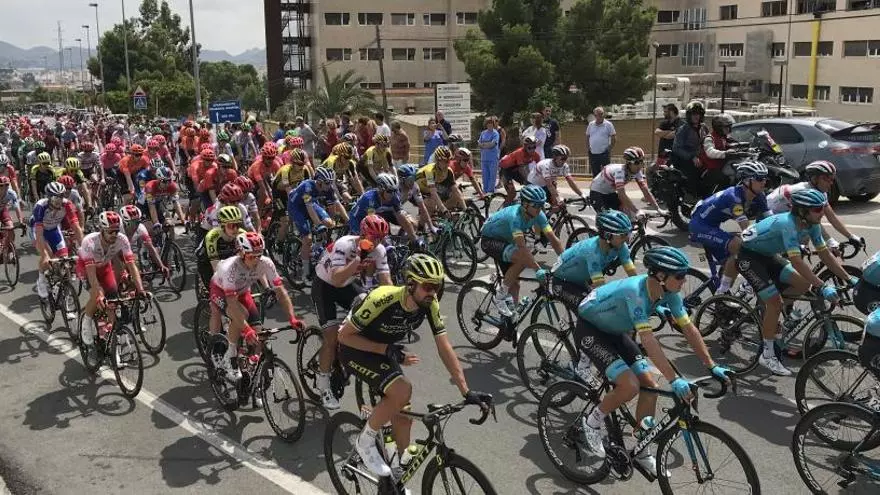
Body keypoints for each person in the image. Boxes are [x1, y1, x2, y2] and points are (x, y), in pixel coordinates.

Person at [576, 246, 730, 475]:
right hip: (591, 329)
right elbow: (649, 341)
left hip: (616, 331)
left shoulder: (670, 294)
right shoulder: (636, 293)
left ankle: (641, 449)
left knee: (650, 387)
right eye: (679, 276)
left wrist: (712, 365)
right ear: (660, 276)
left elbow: (689, 329)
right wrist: (674, 379)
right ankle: (592, 421)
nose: (684, 280)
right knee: (629, 385)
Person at [338, 253, 491, 478]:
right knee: (402, 390)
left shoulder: (430, 304)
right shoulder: (383, 298)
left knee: (404, 416)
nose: (433, 293)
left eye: (437, 287)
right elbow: (343, 337)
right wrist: (386, 350)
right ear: (410, 284)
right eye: (428, 286)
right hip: (355, 348)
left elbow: (444, 347)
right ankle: (365, 441)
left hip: (384, 350)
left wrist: (466, 391)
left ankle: (397, 476)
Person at [737, 189, 855, 376]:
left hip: (768, 255)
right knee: (775, 303)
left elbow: (825, 255)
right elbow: (797, 262)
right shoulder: (788, 224)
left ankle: (776, 318)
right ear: (802, 211)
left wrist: (849, 278)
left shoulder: (812, 224)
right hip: (749, 257)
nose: (822, 213)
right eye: (817, 209)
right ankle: (767, 355)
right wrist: (822, 285)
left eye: (822, 208)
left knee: (803, 285)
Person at [312, 214, 392, 409]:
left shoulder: (379, 250)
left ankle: (349, 353)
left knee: (367, 306)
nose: (377, 242)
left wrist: (395, 303)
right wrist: (357, 259)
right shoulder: (345, 244)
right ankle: (323, 385)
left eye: (381, 238)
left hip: (347, 285)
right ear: (363, 234)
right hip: (325, 286)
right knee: (331, 339)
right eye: (373, 237)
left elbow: (386, 283)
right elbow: (336, 279)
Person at [209, 232, 304, 380]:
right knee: (242, 316)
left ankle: (250, 368)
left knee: (258, 333)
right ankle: (229, 355)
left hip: (242, 291)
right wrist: (246, 329)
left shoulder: (266, 263)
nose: (256, 260)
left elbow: (281, 292)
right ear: (241, 253)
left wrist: (292, 318)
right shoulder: (230, 268)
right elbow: (232, 304)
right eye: (251, 256)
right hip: (220, 290)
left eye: (259, 255)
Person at [480, 185, 564, 317]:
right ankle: (499, 296)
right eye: (536, 205)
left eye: (541, 205)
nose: (539, 209)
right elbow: (523, 249)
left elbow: (553, 239)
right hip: (489, 240)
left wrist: (566, 260)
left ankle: (510, 320)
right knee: (522, 258)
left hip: (506, 241)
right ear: (525, 204)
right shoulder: (515, 217)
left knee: (515, 285)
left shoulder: (538, 214)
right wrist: (538, 270)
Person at [689, 162, 771, 294]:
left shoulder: (760, 196)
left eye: (765, 178)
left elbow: (771, 220)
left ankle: (723, 294)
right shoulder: (733, 196)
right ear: (747, 181)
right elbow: (745, 227)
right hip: (699, 226)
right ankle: (721, 293)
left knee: (735, 261)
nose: (764, 182)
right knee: (739, 245)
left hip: (713, 226)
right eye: (759, 178)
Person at [77, 211, 148, 347]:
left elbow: (131, 265)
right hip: (86, 270)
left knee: (112, 299)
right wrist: (99, 294)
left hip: (105, 268)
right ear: (102, 230)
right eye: (110, 232)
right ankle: (86, 321)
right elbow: (91, 275)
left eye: (116, 231)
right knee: (97, 295)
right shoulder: (89, 242)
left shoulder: (122, 239)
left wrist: (140, 289)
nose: (114, 235)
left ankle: (111, 334)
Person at [766, 160, 865, 253]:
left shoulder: (820, 192)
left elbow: (832, 217)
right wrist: (830, 241)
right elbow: (813, 221)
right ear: (814, 179)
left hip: (785, 215)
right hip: (770, 215)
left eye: (832, 179)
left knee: (805, 237)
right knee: (805, 231)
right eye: (827, 179)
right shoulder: (804, 192)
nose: (831, 183)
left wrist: (851, 236)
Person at [287, 167, 349, 283]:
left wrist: (347, 220)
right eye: (327, 183)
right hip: (296, 207)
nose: (330, 185)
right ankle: (305, 272)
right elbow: (309, 208)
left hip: (310, 204)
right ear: (319, 182)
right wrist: (319, 224)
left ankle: (316, 248)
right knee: (308, 239)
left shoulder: (328, 188)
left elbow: (336, 204)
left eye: (331, 182)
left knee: (329, 223)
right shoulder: (307, 187)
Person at [589, 147, 663, 216]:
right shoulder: (619, 171)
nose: (640, 165)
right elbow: (621, 194)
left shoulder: (637, 172)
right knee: (609, 219)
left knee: (629, 217)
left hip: (610, 193)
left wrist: (658, 209)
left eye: (641, 161)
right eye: (637, 162)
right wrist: (636, 211)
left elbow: (646, 191)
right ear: (629, 163)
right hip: (597, 193)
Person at [350, 174, 419, 241]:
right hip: (358, 219)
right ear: (381, 190)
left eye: (395, 190)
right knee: (373, 239)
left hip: (380, 214)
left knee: (413, 224)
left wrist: (414, 238)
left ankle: (402, 240)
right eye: (390, 191)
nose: (393, 194)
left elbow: (401, 217)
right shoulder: (370, 200)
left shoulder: (394, 197)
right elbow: (373, 222)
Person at [196, 206, 247, 291]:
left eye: (238, 225)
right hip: (207, 260)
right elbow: (215, 266)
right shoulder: (212, 236)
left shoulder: (242, 233)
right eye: (231, 226)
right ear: (222, 226)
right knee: (216, 289)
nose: (235, 229)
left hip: (227, 255)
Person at [416, 146, 466, 214]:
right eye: (445, 161)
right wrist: (444, 210)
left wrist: (465, 208)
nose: (447, 163)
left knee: (454, 197)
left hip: (429, 189)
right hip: (417, 189)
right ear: (438, 160)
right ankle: (422, 219)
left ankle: (438, 214)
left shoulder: (449, 171)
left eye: (449, 160)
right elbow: (433, 192)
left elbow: (456, 190)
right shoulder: (430, 171)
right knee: (431, 203)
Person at [671, 101, 708, 190]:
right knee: (692, 176)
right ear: (689, 115)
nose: (696, 116)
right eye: (693, 114)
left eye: (698, 114)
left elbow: (710, 140)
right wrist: (692, 157)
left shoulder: (704, 128)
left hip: (702, 158)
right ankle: (690, 194)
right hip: (685, 160)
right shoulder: (683, 129)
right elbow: (676, 148)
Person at [498, 136, 541, 205]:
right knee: (512, 194)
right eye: (529, 148)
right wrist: (529, 180)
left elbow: (540, 168)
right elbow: (522, 169)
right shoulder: (520, 153)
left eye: (534, 147)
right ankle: (504, 208)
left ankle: (522, 203)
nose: (532, 150)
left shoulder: (535, 155)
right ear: (525, 147)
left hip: (515, 171)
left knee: (529, 186)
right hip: (505, 171)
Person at [585, 107, 616, 177]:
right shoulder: (591, 124)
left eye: (601, 114)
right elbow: (587, 136)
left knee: (607, 173)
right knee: (595, 173)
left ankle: (606, 184)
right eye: (598, 114)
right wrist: (588, 148)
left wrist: (609, 148)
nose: (600, 116)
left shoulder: (608, 124)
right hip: (593, 153)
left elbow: (613, 137)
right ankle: (596, 184)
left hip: (604, 153)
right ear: (595, 115)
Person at [478, 116, 501, 194]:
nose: (489, 124)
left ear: (493, 124)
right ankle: (485, 190)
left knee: (492, 175)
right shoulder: (483, 133)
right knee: (485, 176)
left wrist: (484, 144)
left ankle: (490, 191)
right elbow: (479, 144)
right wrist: (487, 144)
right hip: (484, 158)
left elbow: (493, 144)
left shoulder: (495, 133)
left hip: (493, 158)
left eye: (491, 123)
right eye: (488, 123)